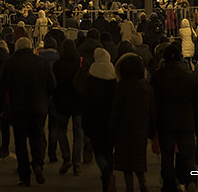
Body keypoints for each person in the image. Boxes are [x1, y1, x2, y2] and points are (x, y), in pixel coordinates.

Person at [0, 36, 55, 187]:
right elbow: (52, 85)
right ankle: (38, 164)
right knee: (37, 136)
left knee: (20, 142)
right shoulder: (42, 62)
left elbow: (2, 86)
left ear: (17, 48)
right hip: (38, 107)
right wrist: (46, 99)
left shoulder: (10, 63)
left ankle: (24, 175)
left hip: (18, 108)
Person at [151, 44, 198, 192]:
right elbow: (197, 102)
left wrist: (152, 127)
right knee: (187, 155)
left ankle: (169, 183)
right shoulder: (189, 76)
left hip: (165, 122)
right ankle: (190, 179)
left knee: (167, 156)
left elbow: (153, 103)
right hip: (186, 122)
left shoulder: (158, 76)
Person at [109, 54, 154, 192]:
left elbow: (116, 110)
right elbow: (152, 111)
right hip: (141, 128)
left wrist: (112, 129)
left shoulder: (122, 86)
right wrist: (151, 130)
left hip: (123, 129)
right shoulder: (146, 87)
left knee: (126, 164)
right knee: (139, 159)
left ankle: (130, 188)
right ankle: (143, 182)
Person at [83, 48, 117, 192]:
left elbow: (87, 102)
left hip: (95, 119)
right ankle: (109, 172)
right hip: (110, 118)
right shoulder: (113, 75)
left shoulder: (92, 76)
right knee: (109, 150)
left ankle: (105, 171)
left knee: (98, 150)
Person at [50, 39, 84, 176]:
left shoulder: (58, 64)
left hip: (62, 102)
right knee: (78, 133)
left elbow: (54, 83)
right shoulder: (80, 63)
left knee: (61, 131)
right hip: (78, 102)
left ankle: (66, 156)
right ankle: (77, 163)